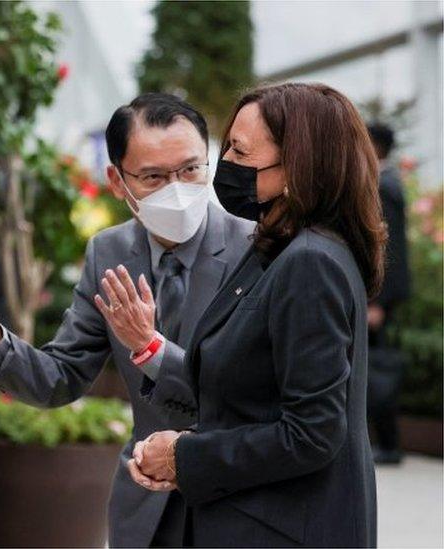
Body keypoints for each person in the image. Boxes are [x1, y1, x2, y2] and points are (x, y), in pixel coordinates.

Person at [0, 93, 255, 547]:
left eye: (191, 169)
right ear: (117, 182)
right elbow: (61, 377)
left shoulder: (256, 249)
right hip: (145, 509)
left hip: (235, 502)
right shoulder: (111, 252)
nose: (177, 188)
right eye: (154, 177)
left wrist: (152, 348)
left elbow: (249, 393)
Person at [130, 83, 385, 547]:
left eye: (241, 152)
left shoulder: (311, 262)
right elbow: (248, 393)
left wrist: (184, 457)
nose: (225, 162)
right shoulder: (276, 247)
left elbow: (312, 434)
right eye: (227, 145)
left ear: (297, 166)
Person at [366, 122, 412, 465]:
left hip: (379, 298)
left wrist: (377, 301)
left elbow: (389, 247)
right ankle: (384, 442)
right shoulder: (387, 182)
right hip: (380, 295)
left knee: (376, 369)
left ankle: (389, 444)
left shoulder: (384, 186)